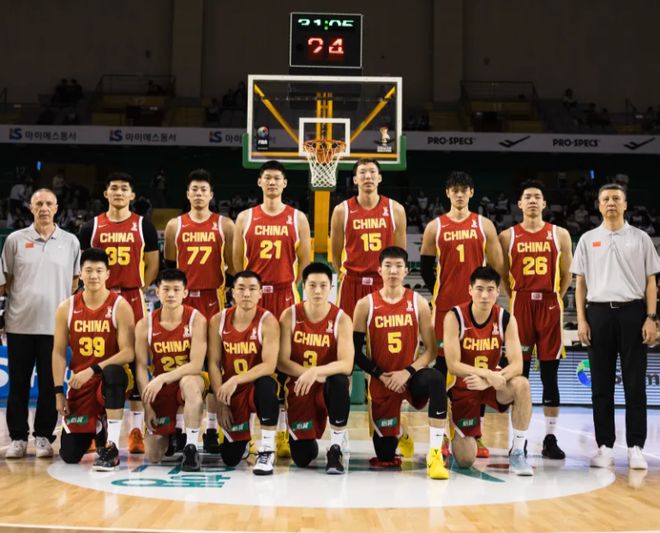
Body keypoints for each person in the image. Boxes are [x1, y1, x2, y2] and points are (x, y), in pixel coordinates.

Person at [571, 183, 659, 470]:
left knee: (635, 384)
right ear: (599, 205)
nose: (611, 203)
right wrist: (582, 319)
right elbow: (580, 283)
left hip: (633, 312)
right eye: (606, 199)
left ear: (625, 204)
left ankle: (636, 447)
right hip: (598, 314)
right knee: (601, 385)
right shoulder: (587, 239)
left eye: (616, 198)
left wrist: (651, 317)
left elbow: (651, 282)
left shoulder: (641, 238)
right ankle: (604, 447)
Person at [420, 171, 504, 457]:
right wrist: (443, 293)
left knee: (477, 368)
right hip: (445, 310)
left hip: (477, 309)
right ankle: (444, 434)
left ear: (471, 193)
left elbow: (496, 267)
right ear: (448, 193)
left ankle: (474, 433)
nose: (459, 194)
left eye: (463, 189)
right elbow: (425, 268)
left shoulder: (484, 225)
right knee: (444, 372)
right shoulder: (435, 227)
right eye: (454, 189)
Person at [233, 160, 311, 457]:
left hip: (285, 295)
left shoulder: (298, 218)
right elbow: (238, 263)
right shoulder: (245, 218)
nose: (272, 183)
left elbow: (305, 263)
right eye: (267, 178)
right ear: (260, 182)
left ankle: (282, 434)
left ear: (285, 183)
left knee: (285, 365)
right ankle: (248, 433)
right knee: (251, 362)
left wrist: (294, 292)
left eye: (277, 178)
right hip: (254, 297)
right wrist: (249, 293)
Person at [79, 172, 160, 454]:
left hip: (132, 296)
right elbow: (84, 266)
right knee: (98, 360)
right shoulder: (90, 227)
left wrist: (139, 286)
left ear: (131, 195)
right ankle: (94, 427)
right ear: (106, 193)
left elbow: (152, 264)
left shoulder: (143, 226)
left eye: (124, 188)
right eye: (113, 188)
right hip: (100, 297)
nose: (118, 192)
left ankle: (136, 430)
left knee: (137, 360)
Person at [353, 246, 449, 480]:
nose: (393, 271)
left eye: (398, 266)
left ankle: (435, 453)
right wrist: (380, 374)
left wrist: (407, 371)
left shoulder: (419, 302)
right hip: (382, 380)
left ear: (406, 271)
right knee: (385, 455)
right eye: (388, 266)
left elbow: (431, 350)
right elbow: (355, 351)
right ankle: (401, 430)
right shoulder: (365, 304)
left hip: (411, 377)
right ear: (379, 270)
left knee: (437, 379)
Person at [1, 188, 81, 459]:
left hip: (55, 327)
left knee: (50, 385)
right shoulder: (14, 240)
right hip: (19, 324)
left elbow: (73, 283)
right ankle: (18, 438)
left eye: (49, 204)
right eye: (39, 204)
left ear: (57, 208)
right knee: (19, 385)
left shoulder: (70, 242)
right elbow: (5, 281)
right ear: (31, 207)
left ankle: (44, 436)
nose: (44, 208)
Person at [499, 180, 573, 459]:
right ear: (519, 204)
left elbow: (567, 274)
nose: (532, 200)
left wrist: (553, 298)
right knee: (520, 376)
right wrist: (519, 298)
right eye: (527, 197)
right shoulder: (507, 236)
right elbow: (504, 275)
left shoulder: (559, 234)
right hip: (521, 304)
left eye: (537, 197)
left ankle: (550, 438)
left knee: (550, 375)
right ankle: (519, 439)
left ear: (544, 203)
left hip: (550, 304)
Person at [164, 168, 235, 455]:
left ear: (211, 195)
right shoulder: (175, 225)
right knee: (182, 365)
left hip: (213, 299)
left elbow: (232, 266)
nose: (198, 194)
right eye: (194, 189)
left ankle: (212, 430)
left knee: (214, 365)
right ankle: (181, 428)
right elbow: (171, 264)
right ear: (187, 193)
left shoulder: (224, 225)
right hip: (184, 301)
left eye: (203, 190)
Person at [444, 266, 534, 476]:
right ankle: (451, 433)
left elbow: (517, 365)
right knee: (465, 460)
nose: (484, 295)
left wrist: (490, 380)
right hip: (465, 386)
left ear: (497, 292)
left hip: (493, 382)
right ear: (470, 290)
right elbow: (453, 365)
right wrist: (486, 375)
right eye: (479, 289)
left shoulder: (505, 318)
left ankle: (518, 451)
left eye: (490, 289)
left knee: (522, 384)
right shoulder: (455, 316)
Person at [52, 248, 135, 470]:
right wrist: (58, 392)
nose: (93, 275)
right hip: (81, 384)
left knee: (113, 373)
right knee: (69, 454)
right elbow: (58, 352)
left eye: (99, 270)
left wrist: (93, 369)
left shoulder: (120, 306)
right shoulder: (66, 308)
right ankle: (98, 427)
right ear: (80, 274)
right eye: (88, 270)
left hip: (110, 380)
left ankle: (112, 446)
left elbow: (128, 352)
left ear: (108, 274)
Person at [278, 262, 354, 474]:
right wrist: (307, 374)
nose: (318, 291)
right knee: (302, 458)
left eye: (323, 285)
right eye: (312, 285)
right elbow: (281, 361)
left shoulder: (341, 319)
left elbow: (347, 364)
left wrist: (316, 372)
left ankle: (336, 446)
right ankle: (303, 437)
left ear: (331, 287)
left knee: (340, 381)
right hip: (300, 385)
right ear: (304, 286)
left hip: (326, 383)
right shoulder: (290, 315)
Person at [207, 270, 281, 475]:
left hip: (255, 386)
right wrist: (221, 403)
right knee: (230, 458)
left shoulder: (268, 321)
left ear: (260, 293)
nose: (246, 294)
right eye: (241, 288)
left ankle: (267, 449)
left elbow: (269, 365)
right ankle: (245, 442)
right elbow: (213, 363)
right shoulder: (218, 320)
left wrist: (236, 380)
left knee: (267, 384)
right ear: (232, 292)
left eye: (252, 289)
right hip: (232, 392)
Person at [135, 269, 208, 472]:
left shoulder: (196, 320)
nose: (171, 294)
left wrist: (162, 378)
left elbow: (196, 364)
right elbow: (140, 366)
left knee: (189, 382)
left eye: (176, 289)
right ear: (157, 292)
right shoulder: (145, 325)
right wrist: (147, 406)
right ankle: (174, 432)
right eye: (166, 289)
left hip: (190, 381)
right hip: (162, 388)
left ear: (185, 292)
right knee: (153, 455)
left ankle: (191, 447)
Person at [330, 158, 407, 320]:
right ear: (355, 179)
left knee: (381, 333)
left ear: (379, 178)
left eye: (372, 172)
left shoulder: (395, 209)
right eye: (362, 172)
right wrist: (343, 273)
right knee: (348, 332)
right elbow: (335, 254)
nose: (368, 176)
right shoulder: (342, 211)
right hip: (352, 283)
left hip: (382, 283)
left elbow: (400, 254)